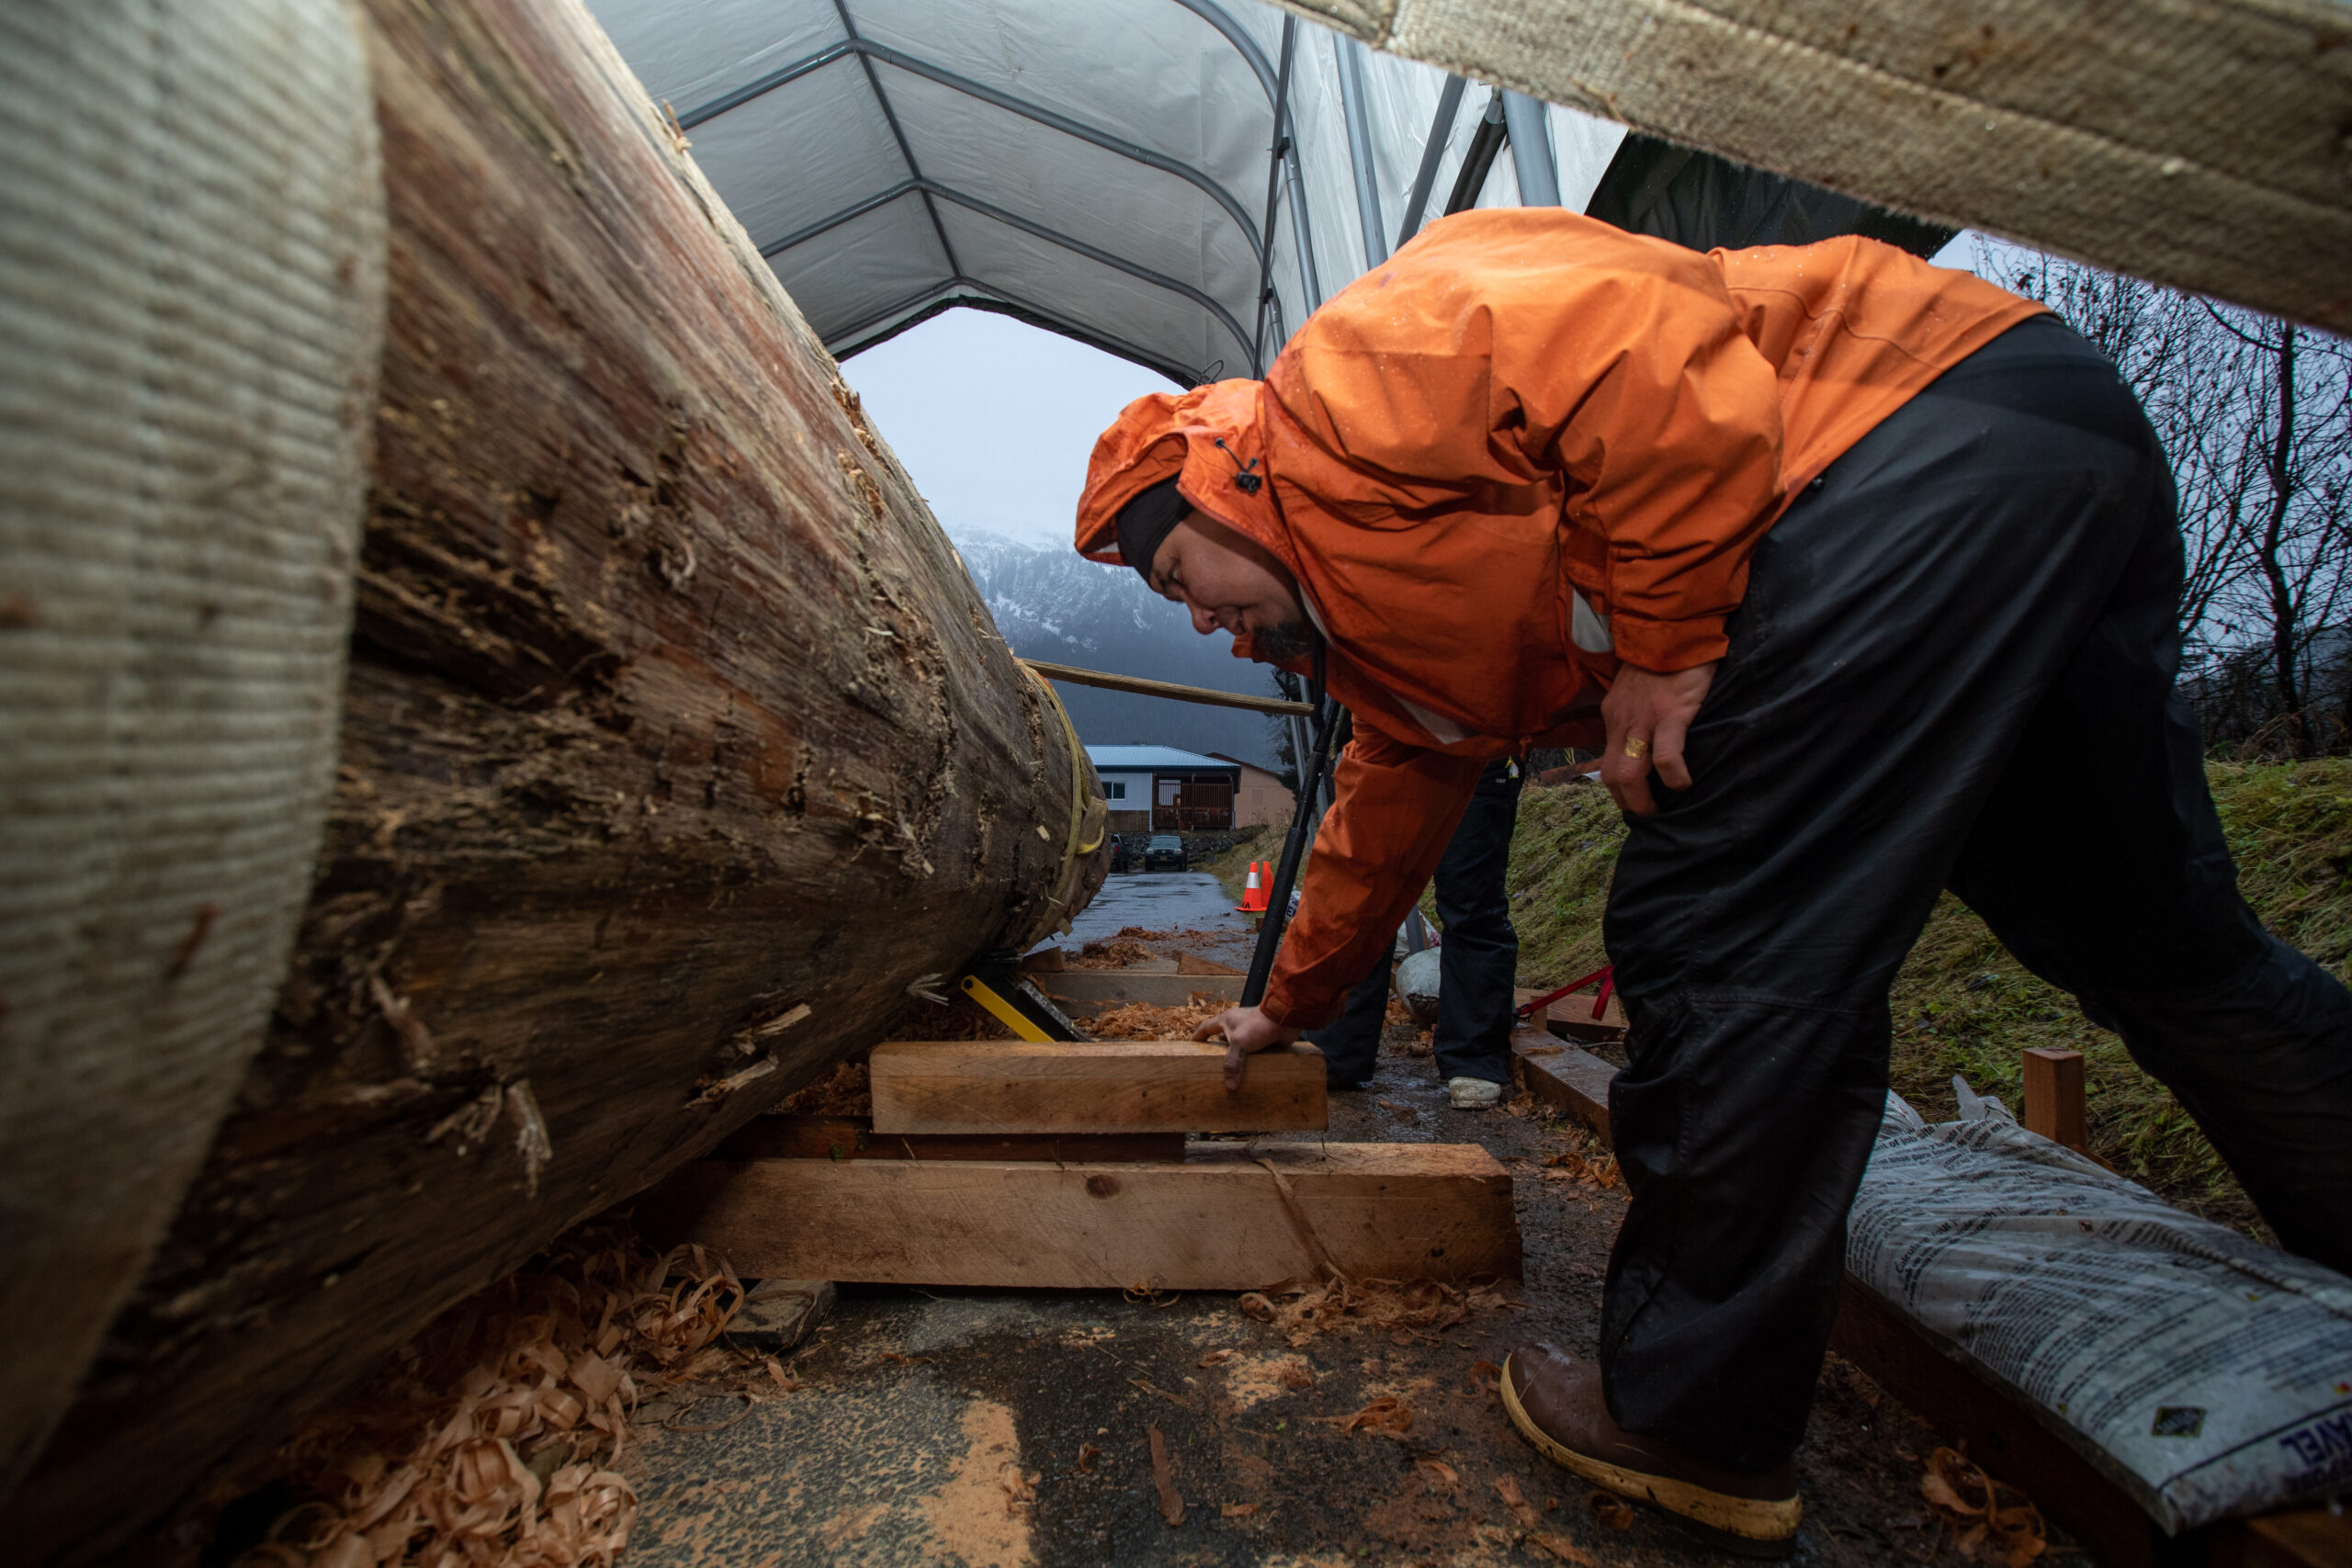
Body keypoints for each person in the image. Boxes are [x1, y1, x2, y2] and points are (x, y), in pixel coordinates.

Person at [1071, 208, 2352, 1556]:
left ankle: (1694, 1422)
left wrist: (1668, 641)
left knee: (1717, 943)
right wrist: (1290, 1002)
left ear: (1220, 482)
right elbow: (1376, 825)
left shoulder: (1343, 382)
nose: (1203, 619)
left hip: (1889, 440)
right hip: (2042, 439)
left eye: (1182, 574)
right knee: (2154, 942)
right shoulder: (1383, 650)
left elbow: (1633, 340)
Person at [1307, 756, 1524, 1108]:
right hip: (1388, 753)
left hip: (1479, 752)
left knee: (1472, 897)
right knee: (1362, 898)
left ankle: (1474, 1056)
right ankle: (1338, 1048)